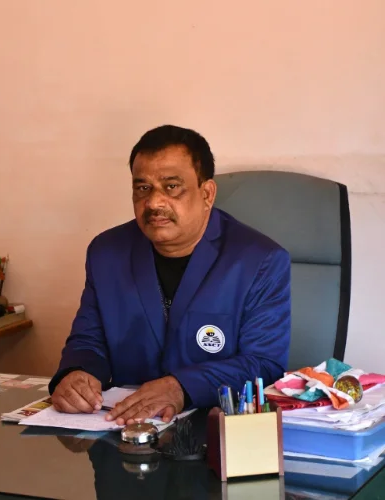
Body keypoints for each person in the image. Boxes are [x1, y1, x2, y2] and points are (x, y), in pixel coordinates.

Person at [49, 124, 291, 425]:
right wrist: (77, 374)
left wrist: (182, 387)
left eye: (171, 187)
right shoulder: (106, 253)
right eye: (143, 188)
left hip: (213, 429)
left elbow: (264, 364)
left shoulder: (259, 261)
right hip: (122, 428)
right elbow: (88, 341)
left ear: (207, 193)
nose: (154, 203)